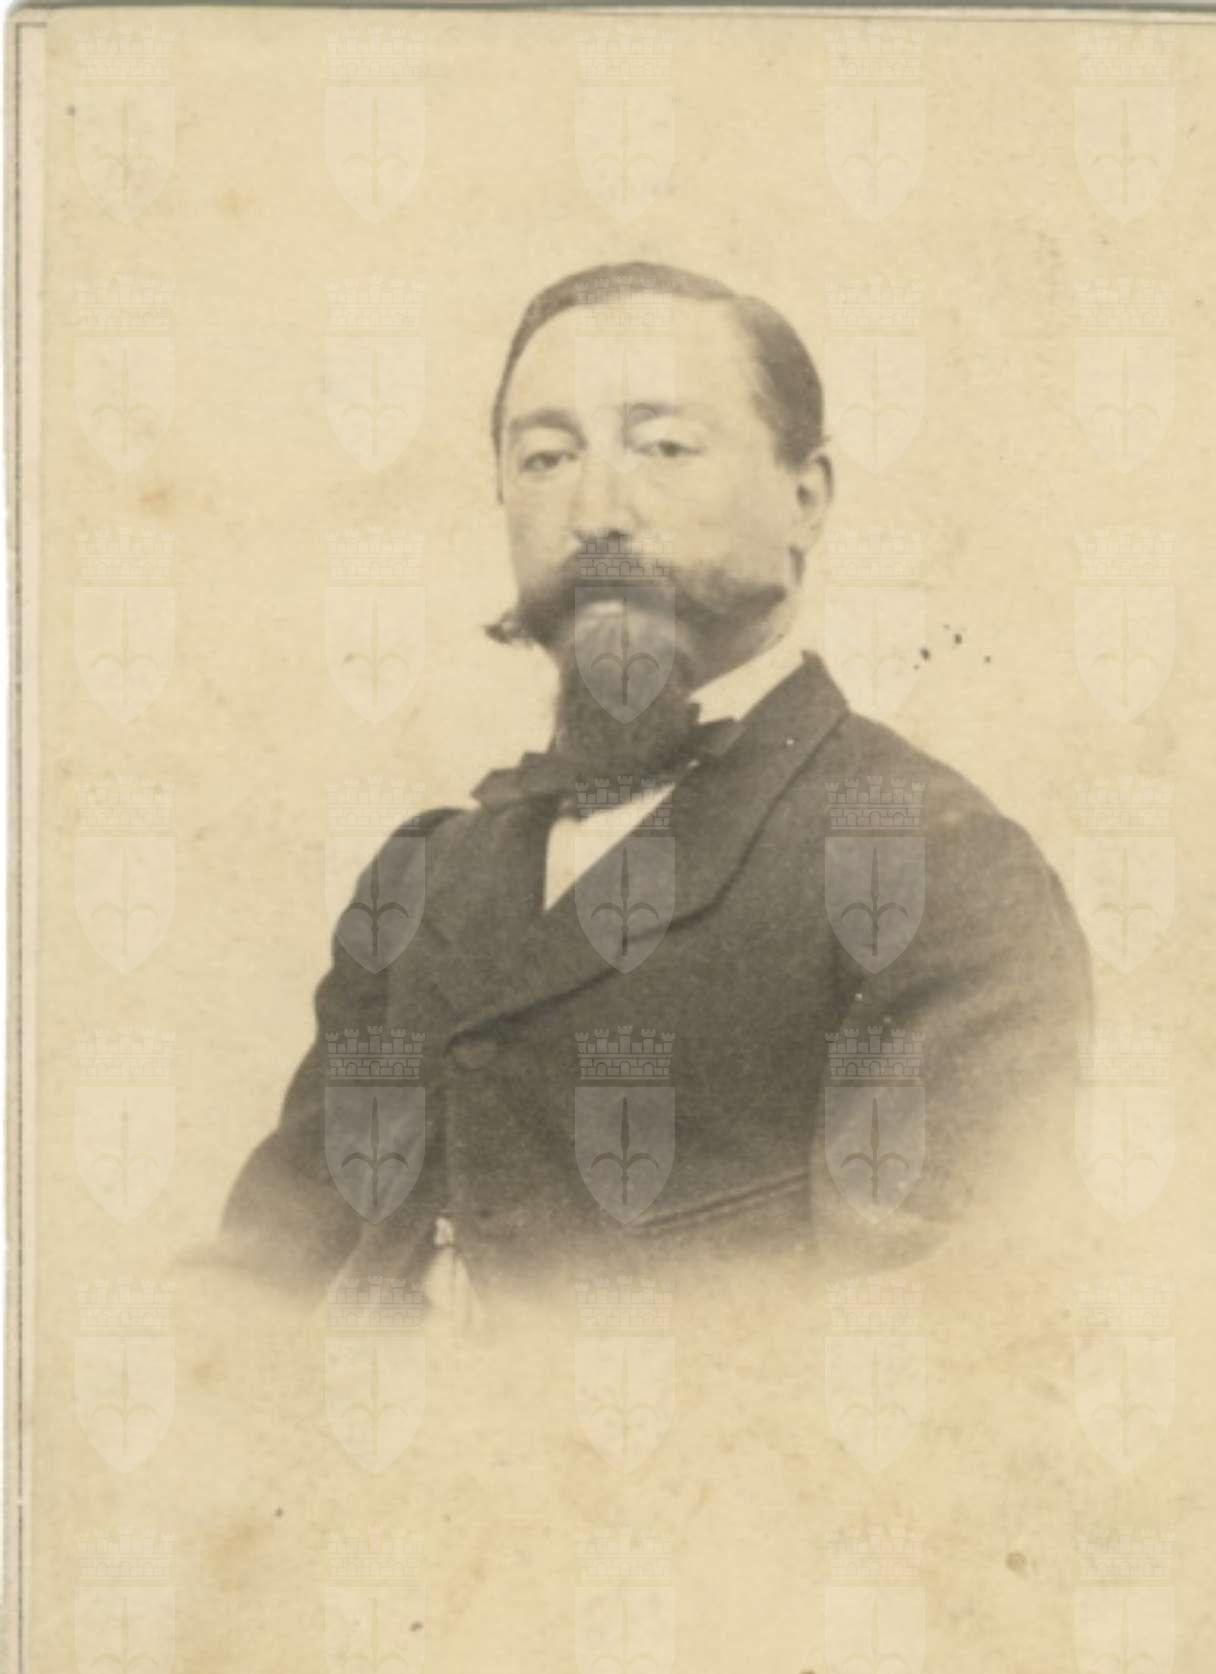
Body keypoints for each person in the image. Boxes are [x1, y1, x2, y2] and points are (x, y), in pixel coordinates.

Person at [205, 260, 1092, 1317]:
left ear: (805, 496)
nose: (595, 512)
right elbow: (258, 1281)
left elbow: (935, 1344)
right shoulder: (427, 872)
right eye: (545, 457)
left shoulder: (935, 863)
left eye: (662, 447)